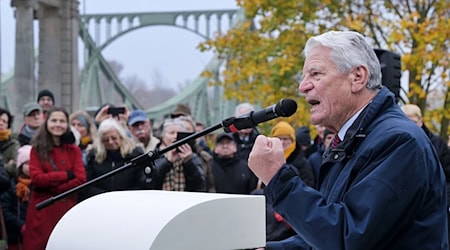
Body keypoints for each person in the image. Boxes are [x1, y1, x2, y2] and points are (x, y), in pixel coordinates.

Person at [248, 31, 448, 249]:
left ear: (358, 77)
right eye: (304, 76)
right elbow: (325, 234)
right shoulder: (355, 138)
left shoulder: (398, 141)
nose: (302, 86)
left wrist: (278, 177)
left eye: (315, 74)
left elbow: (346, 238)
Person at [22, 107, 86, 250]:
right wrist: (66, 175)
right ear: (47, 122)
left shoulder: (74, 150)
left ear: (67, 124)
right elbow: (37, 179)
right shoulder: (37, 149)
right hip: (42, 210)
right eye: (54, 120)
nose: (58, 124)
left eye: (62, 121)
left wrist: (56, 188)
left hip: (66, 208)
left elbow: (81, 179)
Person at [80, 118, 144, 200]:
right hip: (101, 200)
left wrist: (121, 197)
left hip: (129, 200)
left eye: (114, 138)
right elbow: (88, 185)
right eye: (106, 140)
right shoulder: (94, 156)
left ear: (121, 137)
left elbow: (141, 183)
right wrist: (107, 196)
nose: (110, 142)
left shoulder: (135, 155)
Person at [148, 118, 205, 191]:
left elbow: (200, 184)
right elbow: (150, 182)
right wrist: (167, 162)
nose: (175, 136)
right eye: (171, 133)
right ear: (163, 136)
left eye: (178, 133)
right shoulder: (154, 155)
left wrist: (188, 162)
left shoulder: (192, 156)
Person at [1, 145, 32, 250]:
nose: (30, 167)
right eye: (27, 163)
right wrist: (20, 225)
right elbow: (5, 210)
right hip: (15, 236)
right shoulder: (12, 186)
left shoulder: (40, 186)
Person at [0, 108, 20, 178]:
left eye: (4, 121)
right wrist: (6, 166)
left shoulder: (13, 144)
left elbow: (15, 168)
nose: (1, 123)